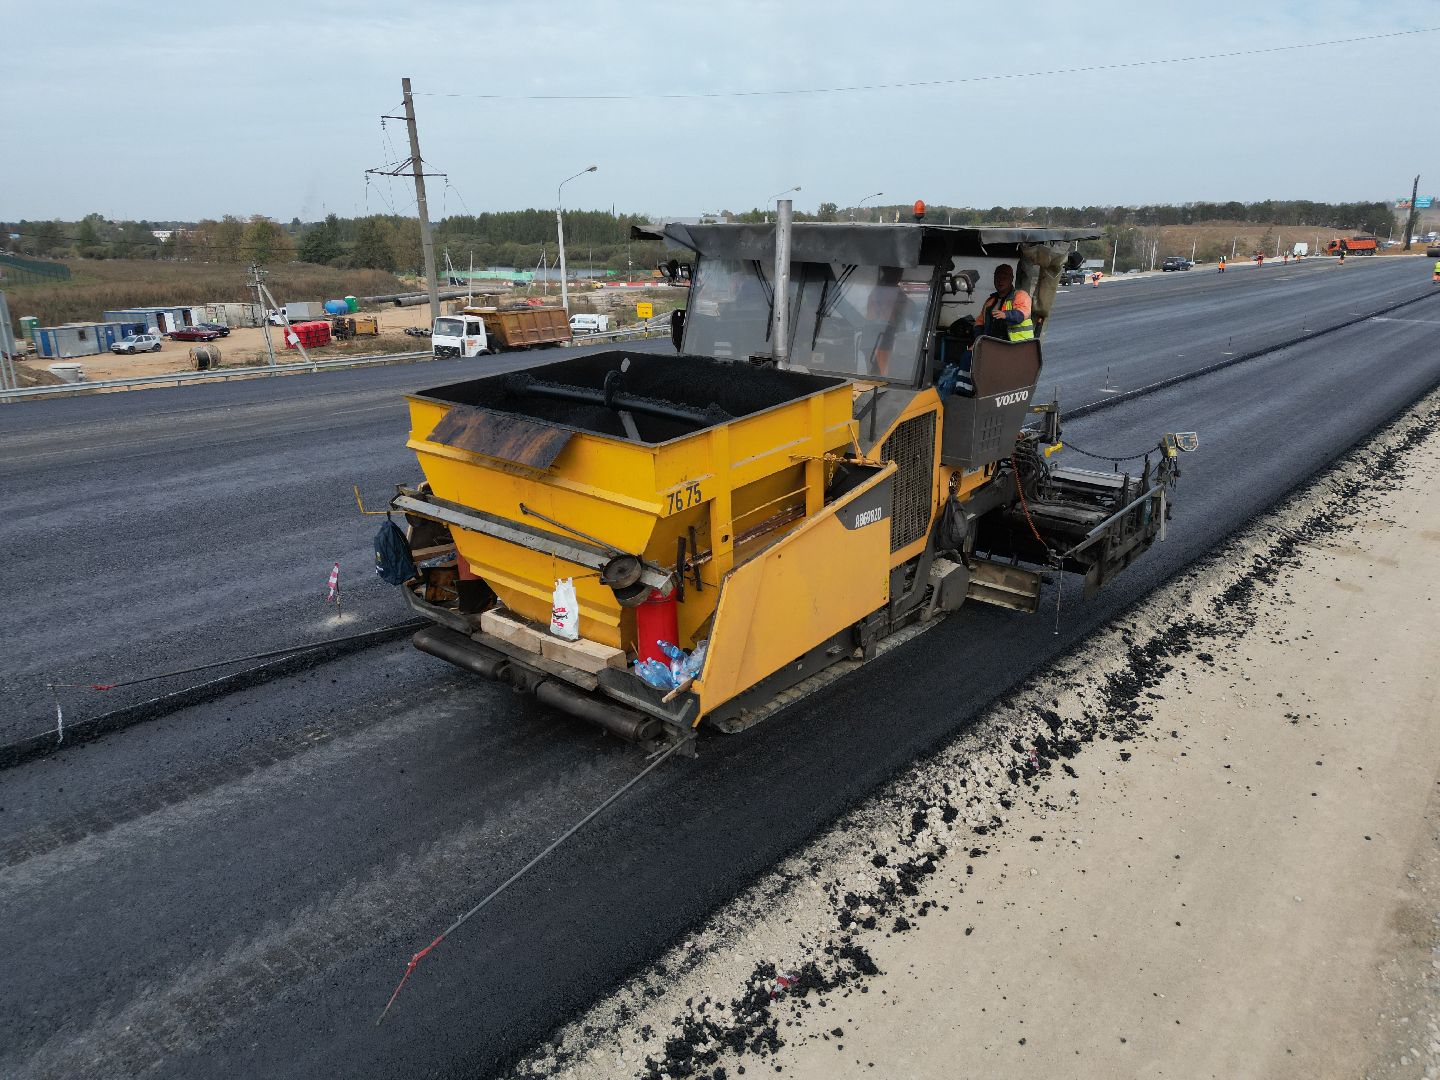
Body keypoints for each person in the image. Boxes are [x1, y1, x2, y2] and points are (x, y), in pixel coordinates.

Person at [972, 263, 1034, 342]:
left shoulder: (1021, 295)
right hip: (992, 345)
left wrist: (1006, 315)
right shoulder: (990, 301)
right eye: (998, 277)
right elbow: (980, 322)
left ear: (1011, 279)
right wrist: (979, 339)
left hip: (1018, 347)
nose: (1000, 280)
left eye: (1005, 277)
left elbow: (1021, 314)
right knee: (967, 354)